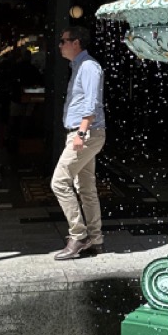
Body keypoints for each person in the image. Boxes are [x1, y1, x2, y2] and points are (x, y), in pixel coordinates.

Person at [52, 26, 106, 260]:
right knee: (86, 189)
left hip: (86, 134)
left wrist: (81, 134)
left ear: (76, 43)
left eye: (64, 41)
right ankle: (95, 238)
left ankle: (78, 235)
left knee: (60, 182)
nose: (60, 45)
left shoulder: (88, 67)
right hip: (84, 133)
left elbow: (91, 103)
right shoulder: (79, 66)